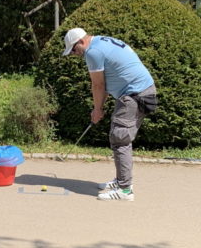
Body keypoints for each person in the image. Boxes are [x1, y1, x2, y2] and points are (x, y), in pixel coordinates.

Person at [62, 28, 157, 201]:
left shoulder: (93, 52)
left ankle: (125, 189)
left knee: (120, 138)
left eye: (74, 50)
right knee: (119, 137)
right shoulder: (101, 41)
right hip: (141, 91)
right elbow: (104, 84)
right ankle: (121, 180)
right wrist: (99, 108)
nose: (74, 54)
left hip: (135, 94)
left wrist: (97, 110)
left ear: (81, 42)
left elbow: (97, 85)